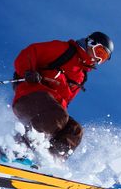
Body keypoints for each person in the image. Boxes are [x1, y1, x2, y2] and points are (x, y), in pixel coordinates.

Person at [9, 31, 114, 160]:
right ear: (90, 43)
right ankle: (15, 149)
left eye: (102, 59)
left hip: (52, 111)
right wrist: (28, 71)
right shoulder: (65, 50)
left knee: (74, 130)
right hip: (30, 95)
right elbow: (30, 52)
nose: (97, 59)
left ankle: (48, 160)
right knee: (57, 115)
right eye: (99, 52)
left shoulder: (81, 77)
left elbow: (65, 102)